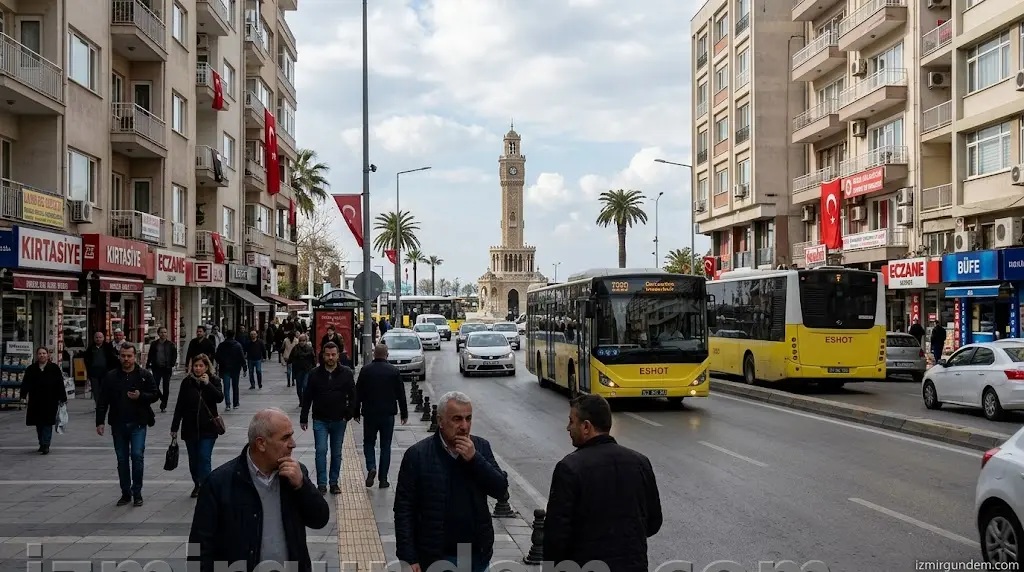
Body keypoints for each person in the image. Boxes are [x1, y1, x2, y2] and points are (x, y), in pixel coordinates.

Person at [188, 408, 330, 572]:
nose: (293, 444)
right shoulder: (219, 483)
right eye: (285, 438)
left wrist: (302, 486)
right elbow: (199, 547)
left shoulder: (295, 475)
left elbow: (320, 519)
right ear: (261, 443)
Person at [543, 395, 662, 572]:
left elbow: (556, 533)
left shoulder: (570, 468)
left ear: (586, 427)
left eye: (571, 421)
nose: (568, 427)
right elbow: (653, 522)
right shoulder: (640, 462)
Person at [394, 391, 508, 572]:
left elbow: (500, 490)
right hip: (438, 557)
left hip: (476, 556)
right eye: (457, 419)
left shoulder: (481, 447)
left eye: (468, 418)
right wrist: (408, 557)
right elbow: (404, 509)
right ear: (440, 421)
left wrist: (475, 459)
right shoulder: (418, 455)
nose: (464, 426)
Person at [96, 344, 159, 507]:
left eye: (129, 356)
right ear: (119, 356)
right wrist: (100, 421)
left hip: (138, 423)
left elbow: (155, 394)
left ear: (135, 357)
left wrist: (141, 396)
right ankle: (125, 492)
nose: (126, 359)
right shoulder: (111, 376)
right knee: (122, 459)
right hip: (118, 423)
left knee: (137, 456)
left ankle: (137, 492)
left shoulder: (144, 375)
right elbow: (103, 400)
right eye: (123, 355)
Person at [300, 342, 357, 494]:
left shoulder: (346, 373)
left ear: (338, 356)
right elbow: (307, 396)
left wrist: (348, 414)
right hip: (320, 419)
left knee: (336, 453)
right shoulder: (314, 374)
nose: (330, 357)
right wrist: (303, 417)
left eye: (333, 354)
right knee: (321, 450)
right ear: (323, 356)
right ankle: (322, 483)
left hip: (339, 419)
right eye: (327, 355)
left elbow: (353, 395)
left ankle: (334, 482)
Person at [170, 354, 224, 498]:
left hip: (208, 428)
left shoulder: (214, 380)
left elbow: (219, 397)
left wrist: (208, 384)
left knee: (204, 458)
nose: (198, 368)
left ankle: (206, 487)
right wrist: (174, 427)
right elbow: (180, 405)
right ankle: (197, 484)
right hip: (190, 428)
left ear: (206, 367)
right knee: (193, 460)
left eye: (201, 366)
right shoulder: (187, 382)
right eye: (195, 366)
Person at [356, 343, 408, 488]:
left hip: (370, 414)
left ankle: (371, 466)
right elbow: (401, 394)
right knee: (386, 446)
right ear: (387, 355)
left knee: (368, 443)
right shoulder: (394, 371)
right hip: (388, 414)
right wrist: (404, 413)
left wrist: (355, 411)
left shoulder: (365, 370)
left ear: (374, 354)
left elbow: (358, 392)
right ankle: (383, 479)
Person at [20, 346, 67, 454]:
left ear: (48, 355)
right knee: (39, 423)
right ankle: (41, 443)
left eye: (44, 353)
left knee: (47, 422)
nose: (42, 355)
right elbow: (26, 383)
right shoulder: (31, 369)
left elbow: (60, 383)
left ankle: (46, 444)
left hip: (50, 400)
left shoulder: (54, 368)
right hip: (36, 400)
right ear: (37, 355)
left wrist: (62, 398)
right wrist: (23, 395)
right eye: (40, 353)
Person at [146, 326, 178, 413]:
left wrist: (172, 364)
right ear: (158, 333)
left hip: (167, 368)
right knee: (155, 385)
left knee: (166, 387)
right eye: (161, 332)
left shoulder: (171, 344)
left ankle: (164, 405)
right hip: (157, 368)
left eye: (165, 332)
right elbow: (150, 355)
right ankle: (162, 398)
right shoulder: (154, 344)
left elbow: (174, 355)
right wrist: (148, 365)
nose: (163, 334)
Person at [83, 331, 119, 409]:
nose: (98, 339)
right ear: (94, 338)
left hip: (105, 373)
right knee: (96, 391)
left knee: (105, 390)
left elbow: (113, 359)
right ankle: (98, 406)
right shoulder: (90, 348)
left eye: (100, 337)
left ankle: (104, 404)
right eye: (96, 337)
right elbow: (86, 360)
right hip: (94, 374)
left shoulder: (108, 347)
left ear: (103, 338)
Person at [214, 329, 246, 410]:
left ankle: (227, 404)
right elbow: (242, 357)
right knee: (235, 386)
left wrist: (221, 362)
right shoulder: (238, 345)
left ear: (226, 335)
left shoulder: (221, 345)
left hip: (225, 368)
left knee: (226, 387)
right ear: (234, 335)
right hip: (235, 368)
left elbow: (217, 356)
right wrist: (244, 367)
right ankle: (235, 403)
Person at [288, 333, 316, 402]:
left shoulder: (309, 348)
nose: (302, 342)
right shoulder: (295, 348)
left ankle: (305, 400)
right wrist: (289, 362)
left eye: (303, 341)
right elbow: (291, 357)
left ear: (306, 341)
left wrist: (314, 368)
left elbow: (313, 359)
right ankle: (301, 400)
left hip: (307, 369)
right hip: (298, 370)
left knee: (305, 385)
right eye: (300, 340)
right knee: (299, 387)